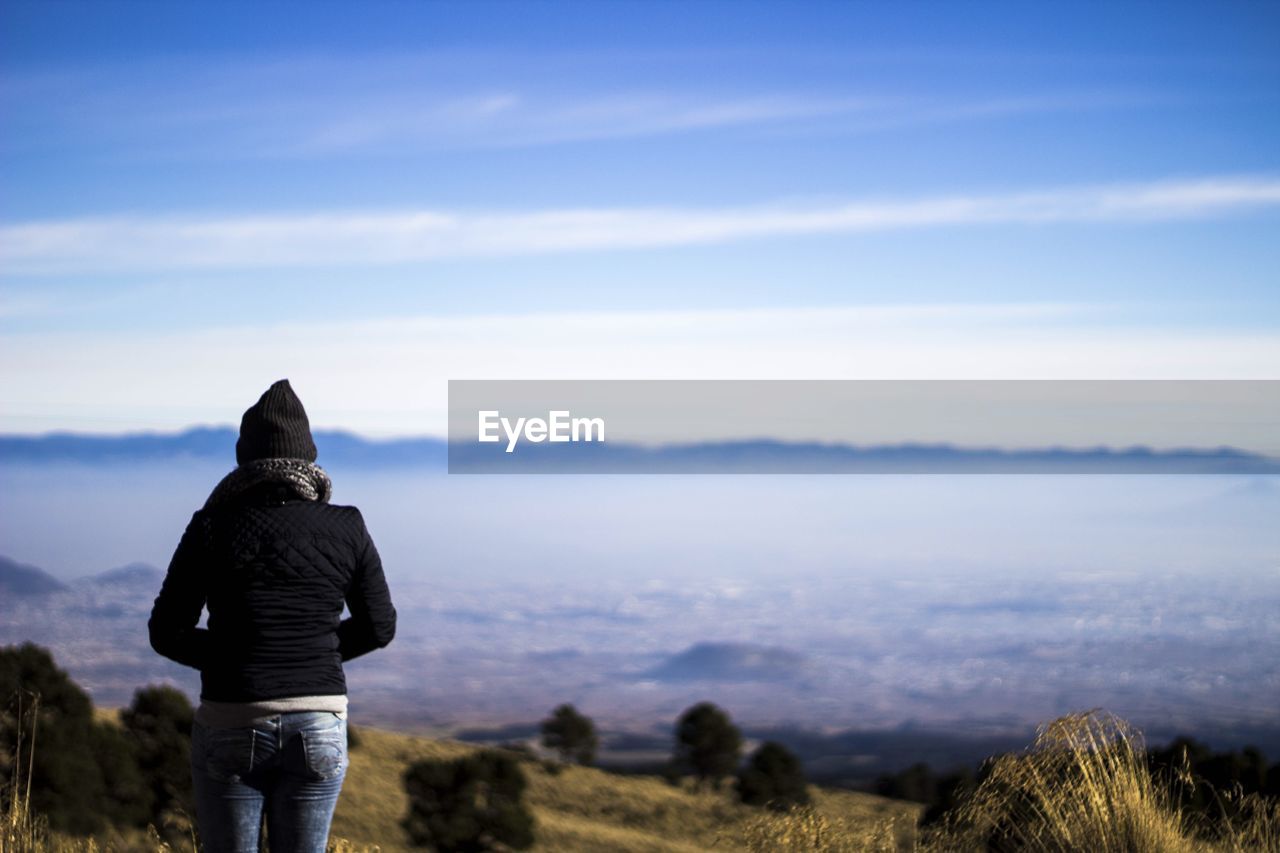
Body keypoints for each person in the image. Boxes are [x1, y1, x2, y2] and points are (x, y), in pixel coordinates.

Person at [149, 379, 396, 852]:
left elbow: (167, 632)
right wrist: (308, 653)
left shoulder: (211, 525)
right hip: (319, 720)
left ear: (244, 458)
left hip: (232, 715)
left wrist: (238, 659)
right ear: (308, 457)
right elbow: (380, 626)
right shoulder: (348, 525)